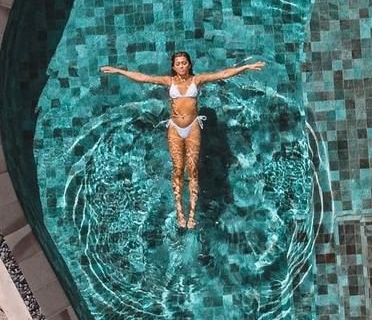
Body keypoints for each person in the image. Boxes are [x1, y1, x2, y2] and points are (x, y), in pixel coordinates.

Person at [100, 51, 266, 229]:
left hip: (193, 127)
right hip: (175, 129)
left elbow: (222, 74)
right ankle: (180, 212)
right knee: (178, 169)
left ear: (189, 64)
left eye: (184, 63)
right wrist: (119, 71)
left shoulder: (197, 80)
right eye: (178, 63)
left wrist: (247, 67)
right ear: (173, 66)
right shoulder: (169, 81)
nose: (181, 66)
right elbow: (144, 78)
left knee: (193, 170)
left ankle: (192, 214)